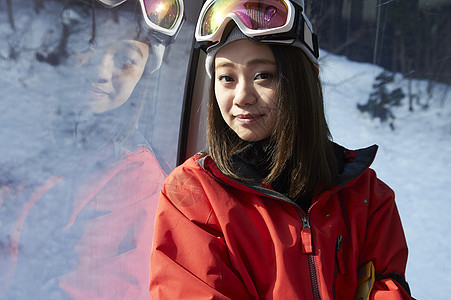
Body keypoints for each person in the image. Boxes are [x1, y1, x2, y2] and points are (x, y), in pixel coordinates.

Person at [149, 0, 413, 299]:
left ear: (305, 78)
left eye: (263, 75)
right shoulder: (193, 192)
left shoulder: (366, 196)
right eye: (226, 78)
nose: (242, 97)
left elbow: (386, 288)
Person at [0, 0, 183, 299]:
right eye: (87, 45)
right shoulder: (23, 139)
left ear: (141, 78)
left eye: (125, 60)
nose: (100, 70)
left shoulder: (136, 182)